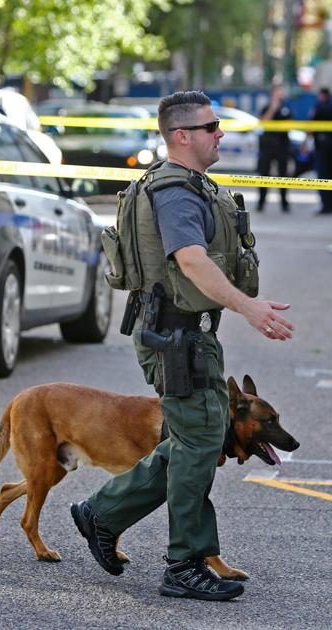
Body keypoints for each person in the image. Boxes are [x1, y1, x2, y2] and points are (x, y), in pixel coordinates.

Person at [70, 90, 294, 601]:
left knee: (196, 440)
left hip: (189, 335)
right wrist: (248, 307)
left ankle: (101, 513)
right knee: (198, 447)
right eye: (211, 126)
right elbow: (190, 259)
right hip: (174, 337)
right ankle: (184, 564)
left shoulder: (190, 184)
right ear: (181, 135)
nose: (221, 133)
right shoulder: (174, 192)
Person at [255, 85, 293, 213]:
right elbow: (263, 122)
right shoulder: (267, 107)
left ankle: (284, 203)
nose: (280, 94)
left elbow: (290, 124)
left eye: (281, 91)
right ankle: (261, 202)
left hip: (282, 147)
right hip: (267, 147)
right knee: (264, 175)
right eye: (277, 92)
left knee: (283, 176)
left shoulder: (286, 108)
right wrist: (273, 107)